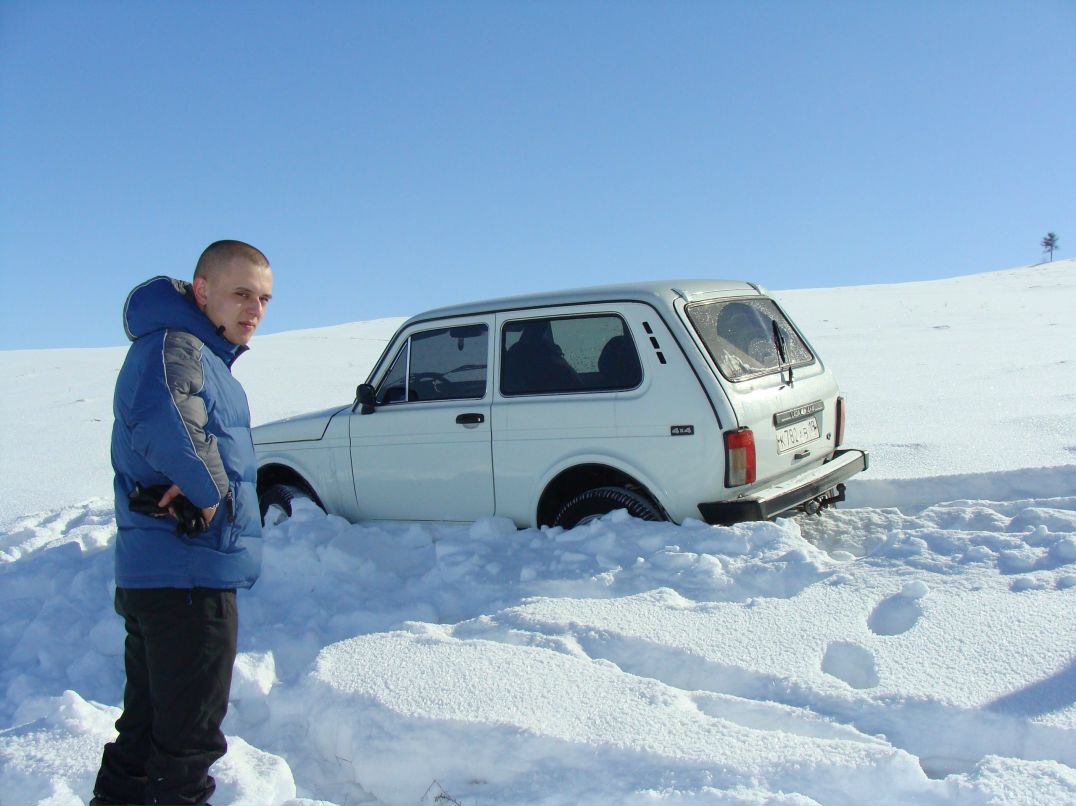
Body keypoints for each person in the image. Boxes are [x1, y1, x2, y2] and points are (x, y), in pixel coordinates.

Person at [91, 240, 273, 806]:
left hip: (168, 576)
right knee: (186, 750)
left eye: (264, 298)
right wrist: (209, 491)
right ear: (202, 292)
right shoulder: (177, 345)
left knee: (147, 736)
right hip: (189, 576)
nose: (255, 310)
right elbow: (169, 416)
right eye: (241, 293)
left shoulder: (190, 350)